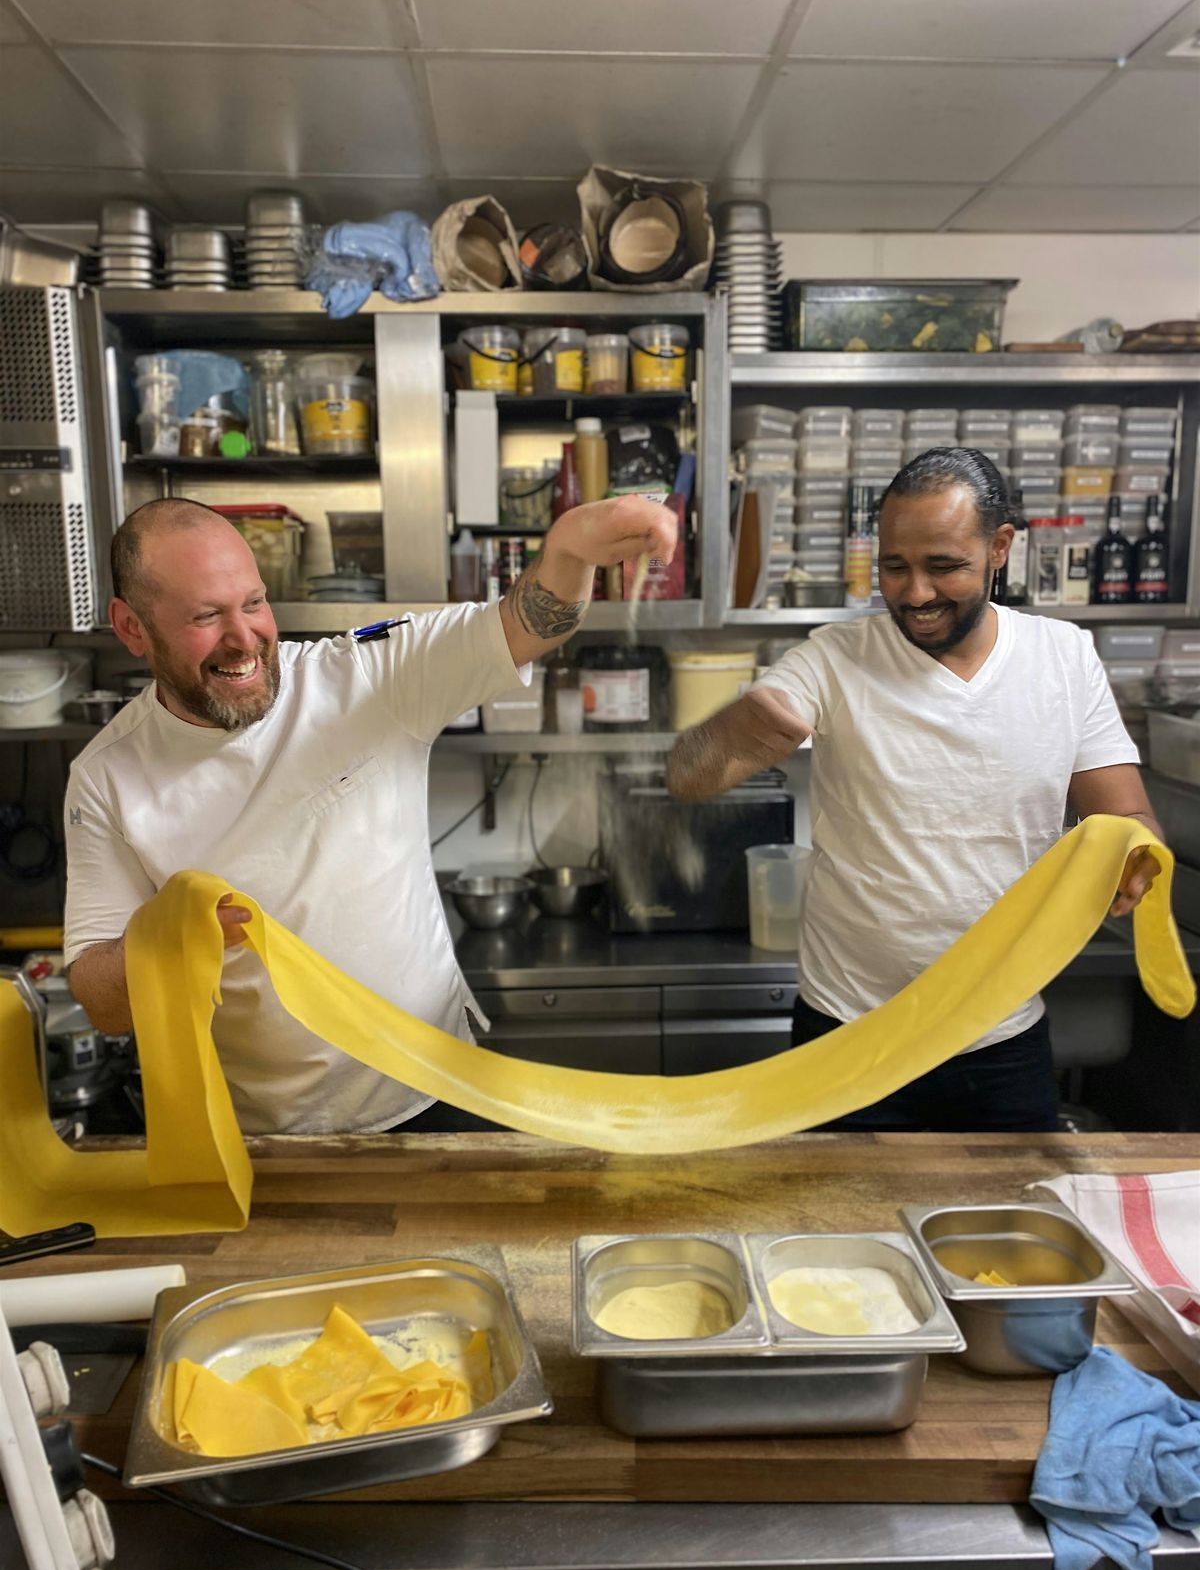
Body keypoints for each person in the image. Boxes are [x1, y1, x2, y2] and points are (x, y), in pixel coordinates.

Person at [64, 492, 674, 1135]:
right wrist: (166, 940)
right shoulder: (107, 778)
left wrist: (570, 552)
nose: (244, 639)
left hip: (439, 1089)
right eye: (205, 616)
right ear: (133, 627)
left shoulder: (363, 675)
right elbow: (104, 1005)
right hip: (264, 1133)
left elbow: (525, 625)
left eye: (254, 603)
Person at [666, 447, 1163, 1132]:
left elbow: (1126, 812)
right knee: (837, 1236)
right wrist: (731, 735)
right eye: (895, 568)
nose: (916, 594)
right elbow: (688, 777)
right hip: (848, 1036)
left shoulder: (1064, 658)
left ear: (1000, 547)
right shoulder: (835, 657)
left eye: (943, 567)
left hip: (999, 1040)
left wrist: (1137, 856)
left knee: (1004, 1234)